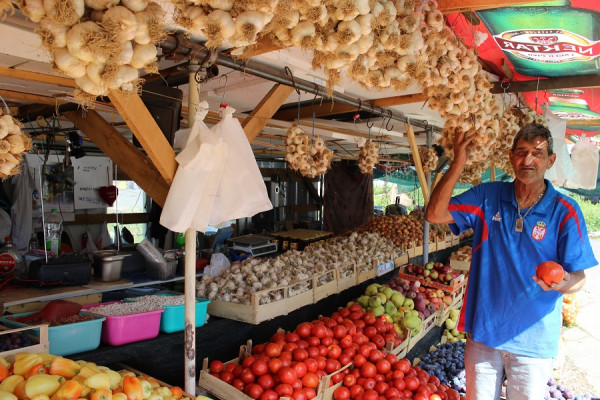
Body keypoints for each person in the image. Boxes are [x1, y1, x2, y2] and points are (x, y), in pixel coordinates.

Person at [425, 123, 597, 400]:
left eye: (537, 153)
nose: (527, 160)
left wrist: (564, 283)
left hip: (534, 340)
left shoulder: (565, 212)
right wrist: (459, 162)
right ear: (510, 156)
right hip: (484, 335)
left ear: (550, 160)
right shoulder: (488, 196)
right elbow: (434, 214)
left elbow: (580, 277)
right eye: (521, 152)